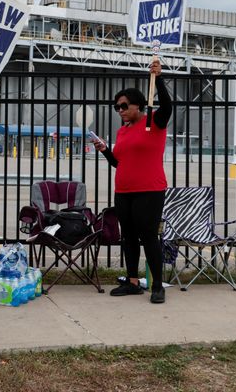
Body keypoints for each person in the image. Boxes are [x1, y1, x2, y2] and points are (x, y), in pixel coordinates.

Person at [93, 60, 172, 304]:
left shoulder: (152, 122)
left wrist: (158, 78)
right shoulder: (122, 131)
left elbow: (168, 106)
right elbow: (119, 163)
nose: (120, 110)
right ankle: (132, 282)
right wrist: (105, 150)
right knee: (127, 237)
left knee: (148, 236)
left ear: (138, 105)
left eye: (124, 106)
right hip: (124, 191)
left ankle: (158, 285)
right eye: (117, 107)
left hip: (149, 190)